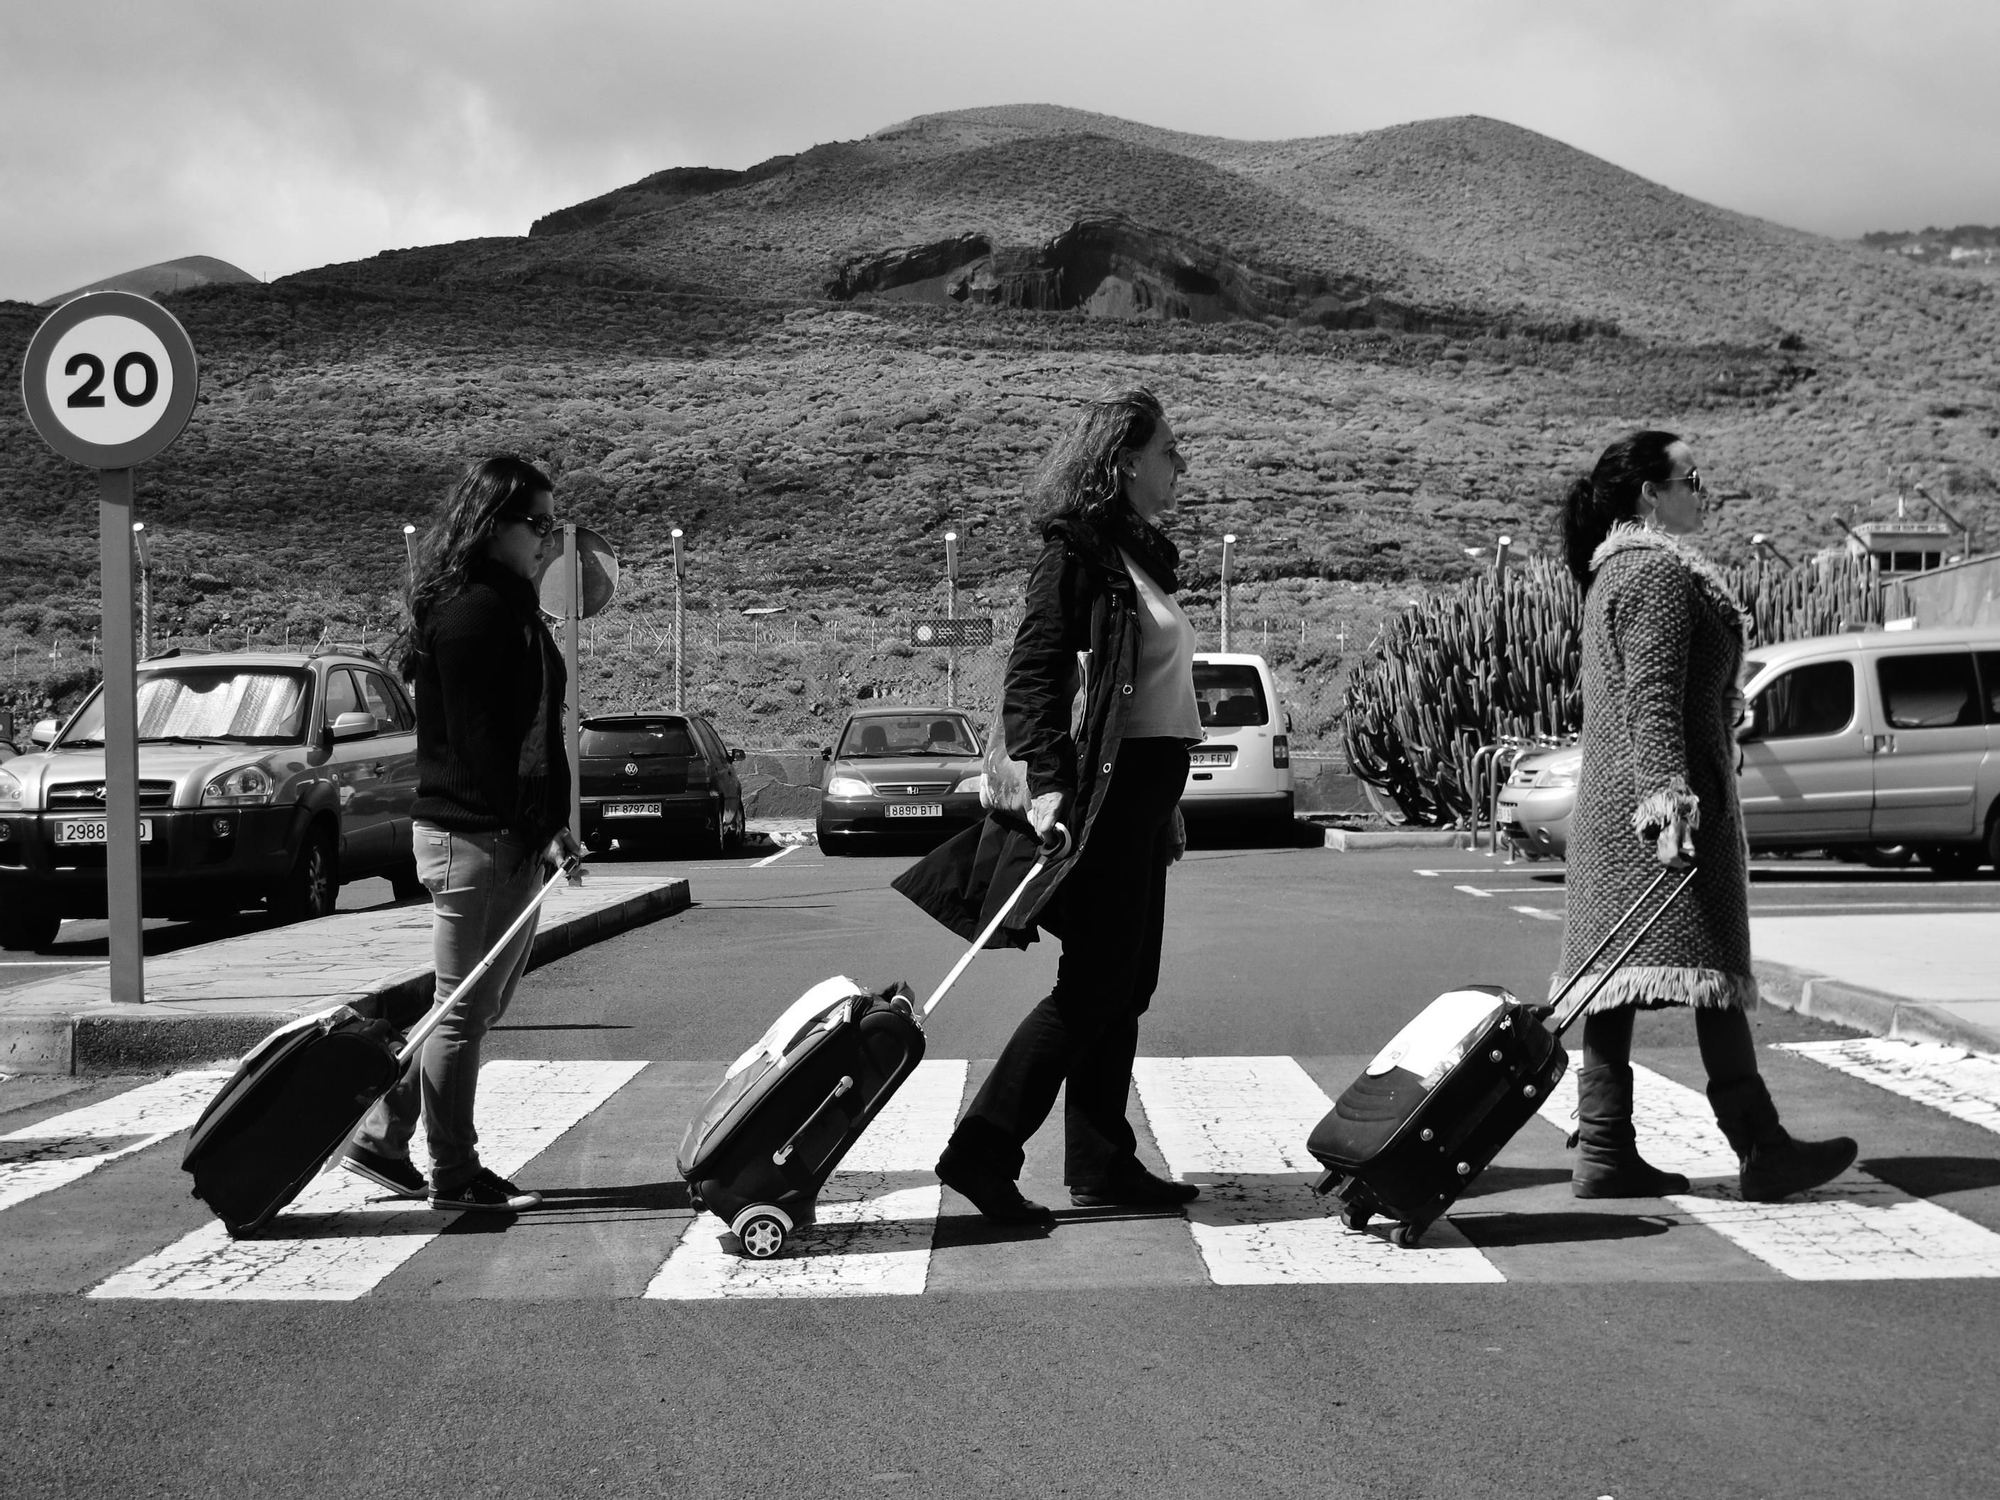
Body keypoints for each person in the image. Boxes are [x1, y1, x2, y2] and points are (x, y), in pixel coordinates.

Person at [894, 388, 1200, 1227]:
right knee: (1096, 983)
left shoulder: (1143, 556)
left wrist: (1163, 803)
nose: (1180, 465)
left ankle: (1102, 1162)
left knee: (1128, 982)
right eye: (1169, 451)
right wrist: (1050, 781)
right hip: (1106, 795)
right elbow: (1033, 674)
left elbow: (1143, 696)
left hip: (1143, 794)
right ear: (1125, 461)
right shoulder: (1076, 553)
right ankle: (981, 1152)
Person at [1556, 431, 1856, 1202]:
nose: (1704, 491)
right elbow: (1652, 696)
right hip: (1659, 815)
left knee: (1611, 983)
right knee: (1714, 970)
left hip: (1616, 811)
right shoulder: (1655, 573)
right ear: (1651, 494)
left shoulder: (1620, 570)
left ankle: (1604, 1149)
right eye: (1693, 478)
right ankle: (1761, 1148)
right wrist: (1669, 804)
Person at [343, 455, 580, 1212]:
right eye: (535, 524)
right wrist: (537, 826)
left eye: (553, 525)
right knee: (458, 1012)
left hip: (504, 833)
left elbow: (537, 732)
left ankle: (383, 1141)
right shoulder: (473, 611)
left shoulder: (506, 605)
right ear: (492, 524)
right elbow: (483, 747)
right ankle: (452, 1171)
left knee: (470, 1008)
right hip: (475, 836)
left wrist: (552, 824)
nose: (548, 540)